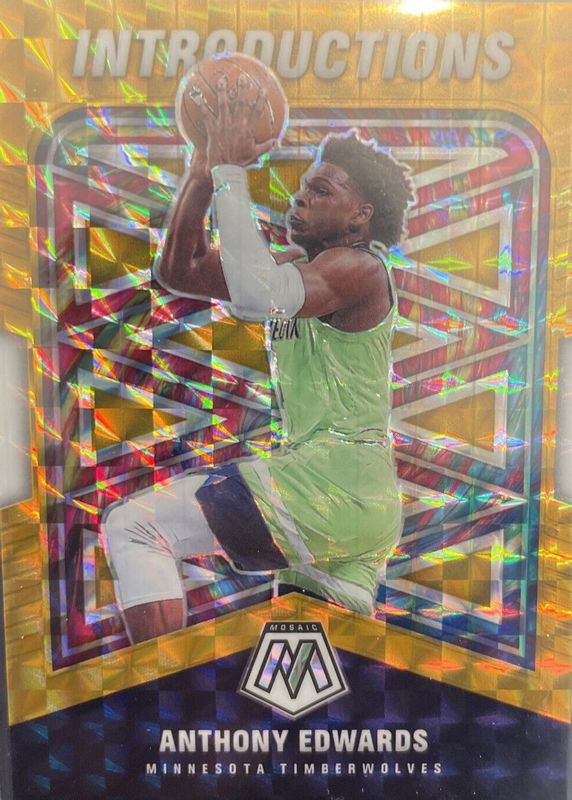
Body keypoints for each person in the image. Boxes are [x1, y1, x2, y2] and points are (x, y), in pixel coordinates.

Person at [102, 74, 415, 643]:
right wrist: (201, 174)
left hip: (332, 481)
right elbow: (178, 271)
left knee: (136, 526)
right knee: (317, 661)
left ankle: (159, 685)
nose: (300, 196)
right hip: (355, 503)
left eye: (322, 190)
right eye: (304, 187)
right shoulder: (300, 273)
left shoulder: (361, 268)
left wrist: (229, 171)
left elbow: (255, 295)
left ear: (360, 216)